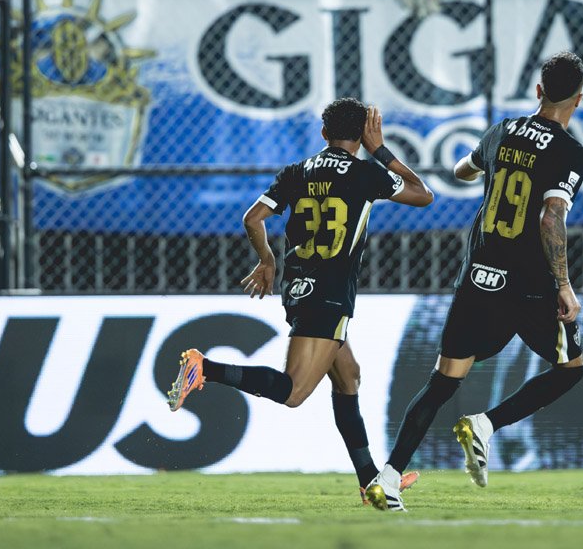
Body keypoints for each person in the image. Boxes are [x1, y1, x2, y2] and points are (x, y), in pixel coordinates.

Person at [166, 99, 434, 504]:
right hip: (329, 296)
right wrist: (380, 151)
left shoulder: (297, 172)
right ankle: (206, 367)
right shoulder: (366, 173)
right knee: (293, 393)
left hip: (299, 289)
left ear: (324, 134)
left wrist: (267, 261)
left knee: (349, 378)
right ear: (361, 135)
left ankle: (368, 481)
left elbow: (252, 218)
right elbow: (423, 195)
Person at [364, 52, 583, 512]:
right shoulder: (571, 152)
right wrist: (564, 283)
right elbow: (551, 216)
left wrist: (483, 166)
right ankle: (486, 424)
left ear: (539, 91)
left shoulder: (501, 131)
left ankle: (386, 479)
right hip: (530, 285)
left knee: (444, 379)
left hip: (478, 276)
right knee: (570, 369)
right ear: (578, 100)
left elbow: (461, 171)